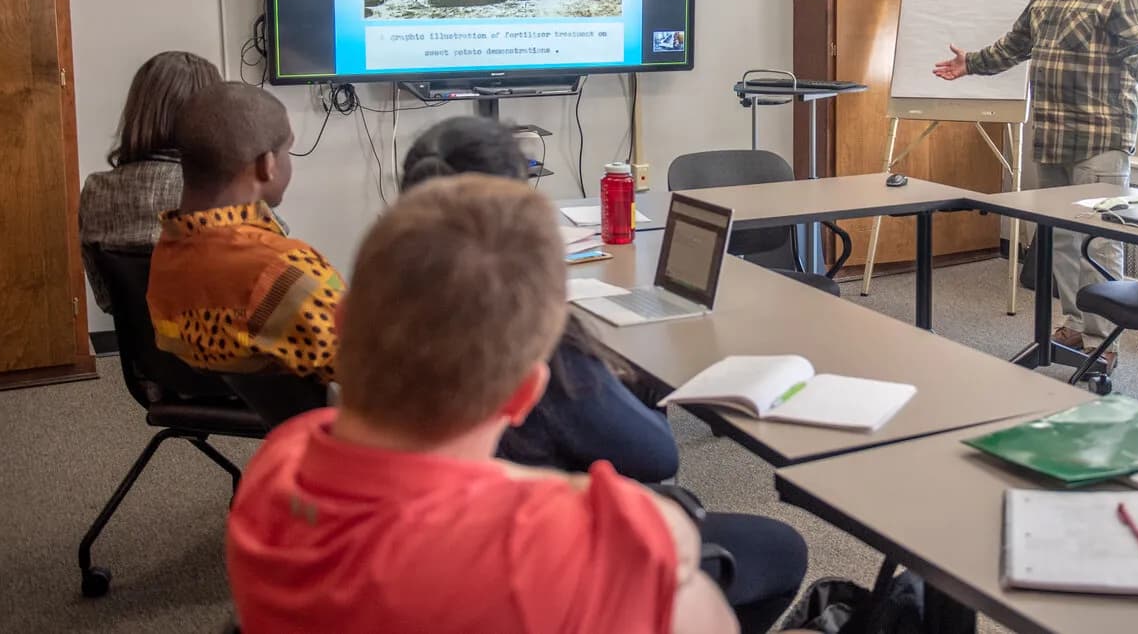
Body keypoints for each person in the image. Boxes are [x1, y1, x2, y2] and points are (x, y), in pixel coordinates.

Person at [226, 174, 738, 634]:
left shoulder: (279, 460)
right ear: (523, 395)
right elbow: (689, 579)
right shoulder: (546, 542)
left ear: (342, 324)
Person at [400, 116, 808, 634]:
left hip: (449, 542)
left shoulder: (389, 303)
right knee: (780, 549)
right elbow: (656, 456)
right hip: (551, 556)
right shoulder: (532, 338)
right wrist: (639, 386)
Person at [933, 0, 1138, 368]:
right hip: (1051, 135)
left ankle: (1103, 343)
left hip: (1100, 139)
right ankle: (1077, 322)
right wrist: (972, 65)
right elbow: (1018, 42)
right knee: (1062, 240)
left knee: (1098, 239)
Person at [146, 82, 341, 388]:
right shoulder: (286, 270)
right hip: (350, 424)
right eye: (287, 150)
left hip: (230, 399)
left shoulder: (168, 251)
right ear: (267, 165)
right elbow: (373, 366)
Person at [79, 51, 220, 312]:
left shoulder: (95, 191)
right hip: (226, 349)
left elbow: (106, 300)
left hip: (140, 349)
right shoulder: (223, 191)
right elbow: (273, 282)